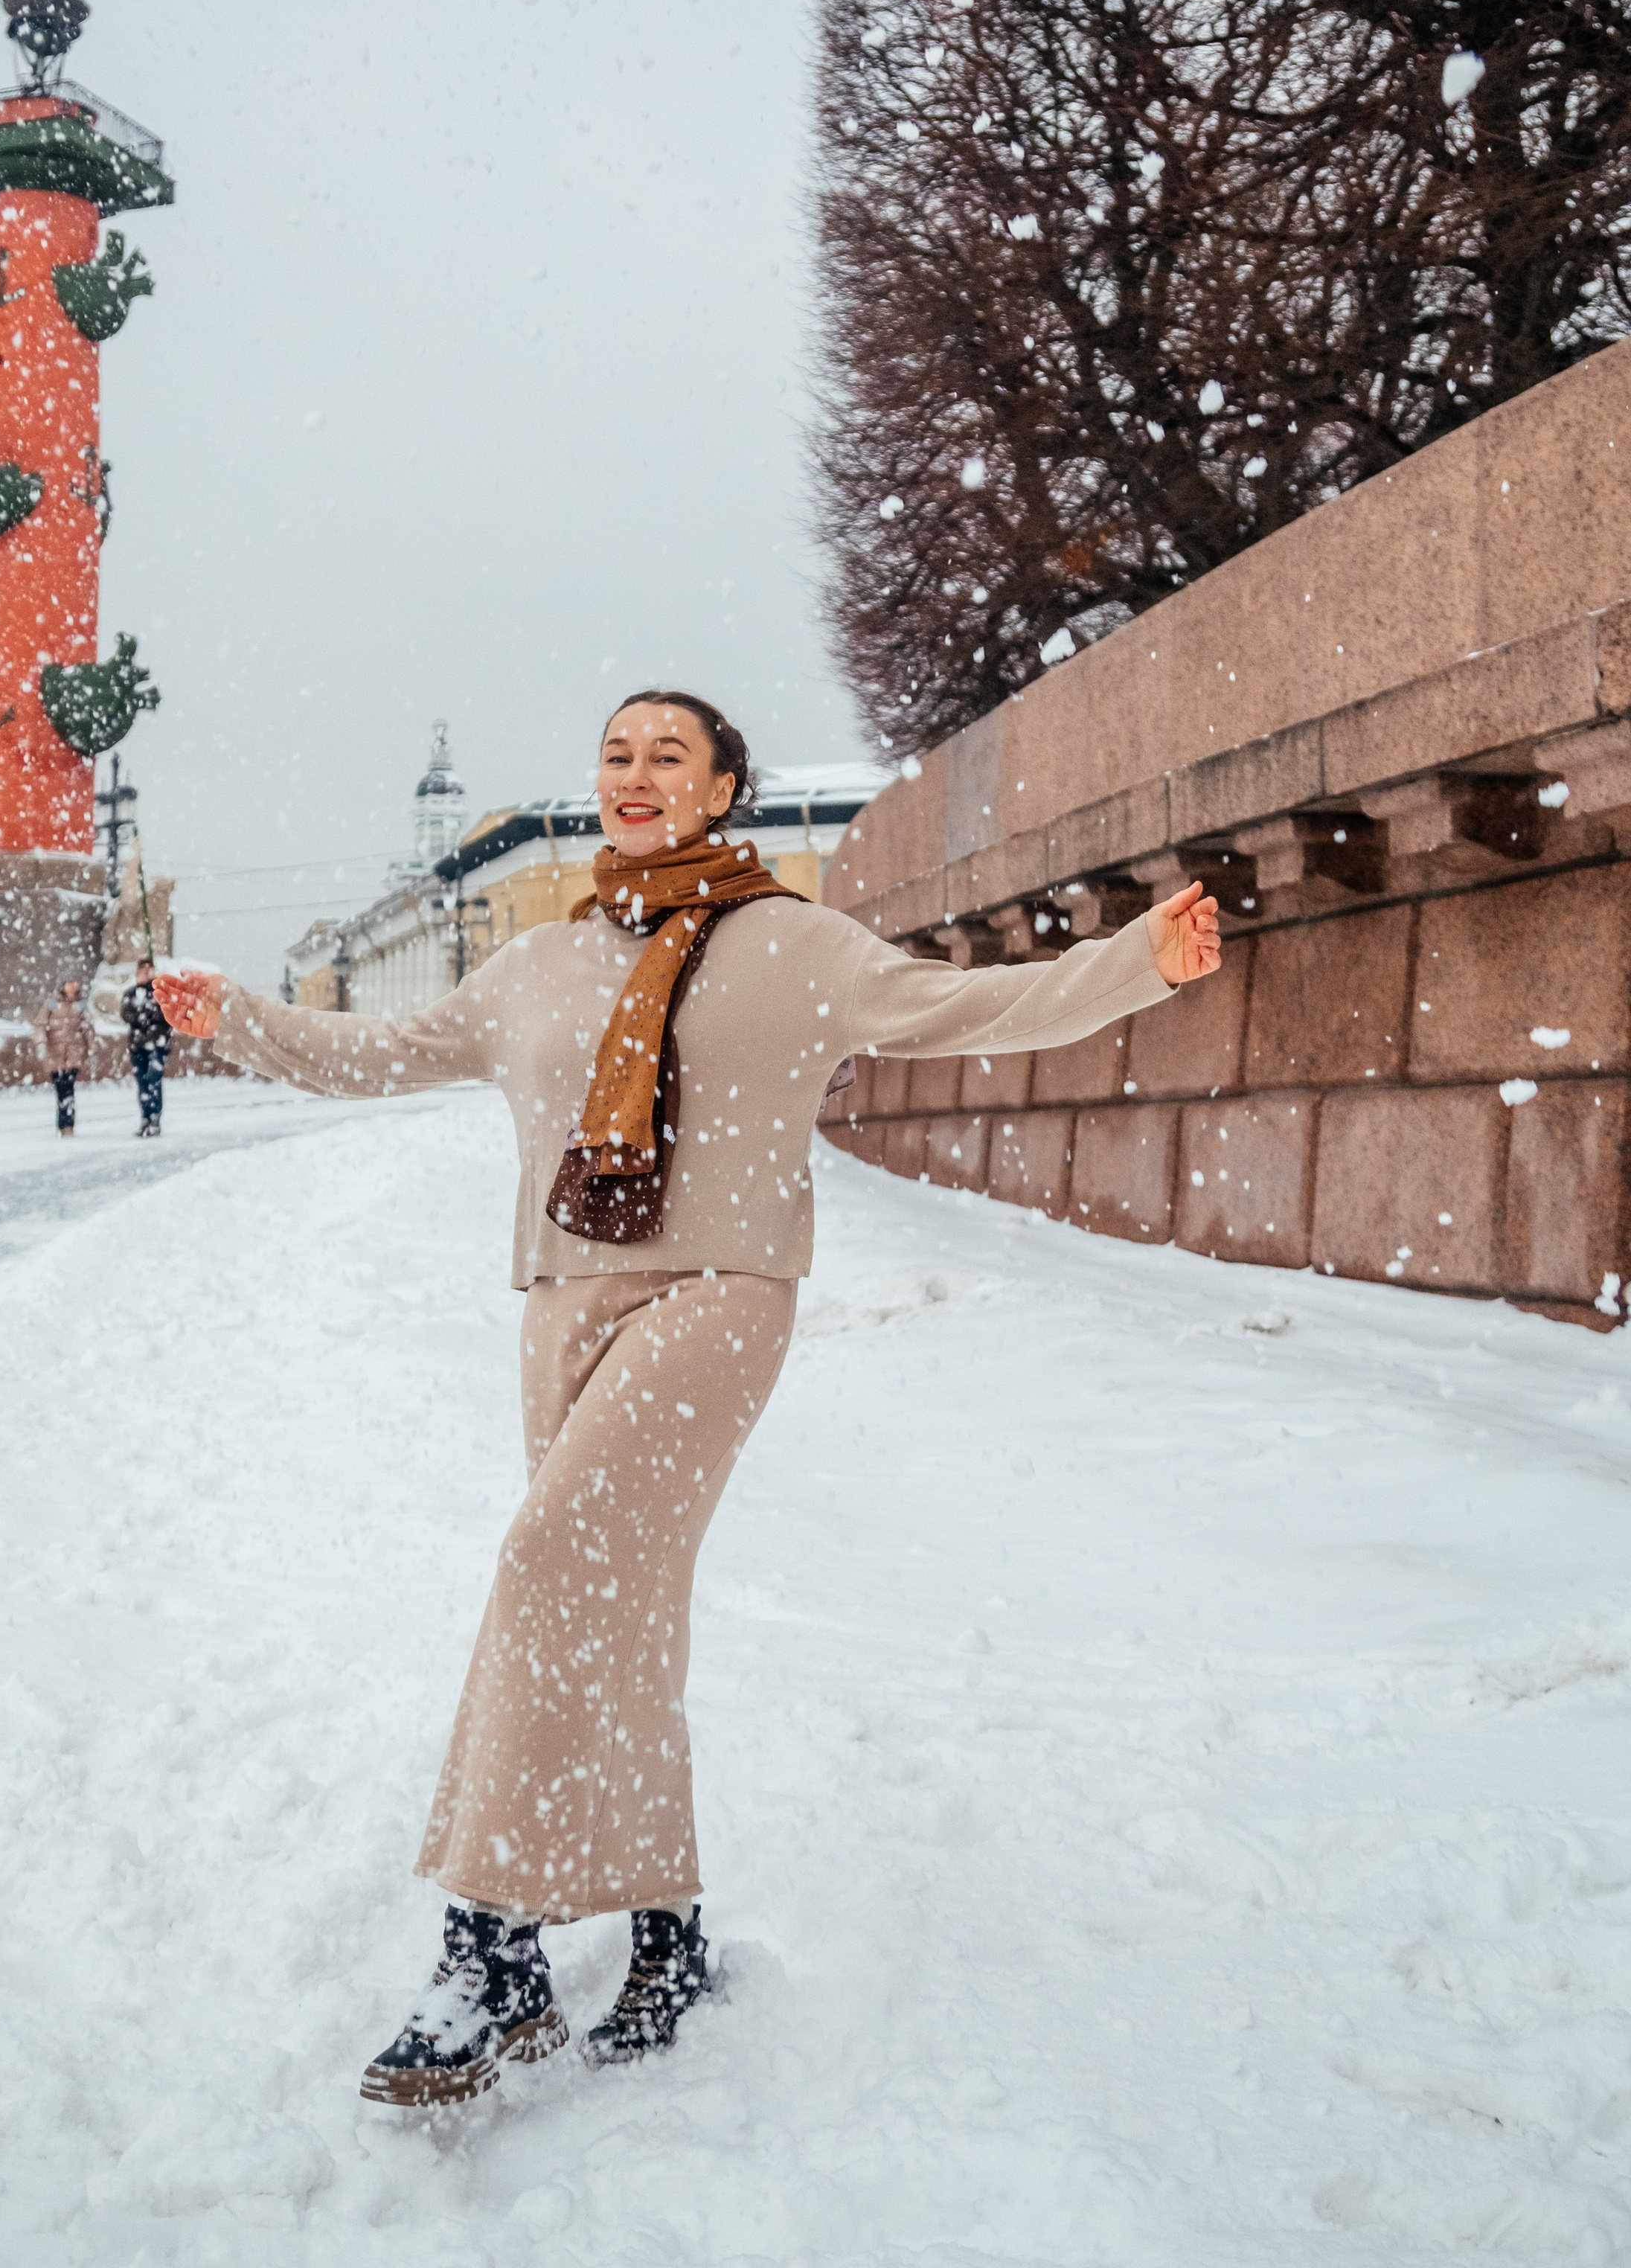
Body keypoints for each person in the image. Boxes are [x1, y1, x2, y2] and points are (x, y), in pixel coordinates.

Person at [153, 691, 1220, 2110]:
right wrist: (235, 1017)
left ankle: (489, 1954)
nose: (636, 775)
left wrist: (1135, 964)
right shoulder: (536, 965)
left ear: (723, 792)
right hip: (562, 1305)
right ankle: (667, 1937)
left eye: (670, 756)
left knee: (544, 1565)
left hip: (719, 1294)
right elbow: (376, 1059)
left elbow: (963, 1006)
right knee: (617, 1614)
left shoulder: (794, 944)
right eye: (615, 753)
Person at [120, 958, 171, 1138]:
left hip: (157, 1044)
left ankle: (155, 1118)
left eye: (150, 968)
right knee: (142, 1082)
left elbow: (166, 1015)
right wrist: (142, 1016)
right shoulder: (131, 993)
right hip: (138, 1045)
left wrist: (147, 1014)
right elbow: (127, 1014)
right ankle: (146, 1118)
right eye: (143, 968)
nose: (147, 971)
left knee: (153, 1080)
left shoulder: (161, 992)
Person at [37, 976, 94, 1138]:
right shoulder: (52, 1004)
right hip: (55, 1055)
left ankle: (67, 1125)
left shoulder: (81, 1004)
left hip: (73, 1054)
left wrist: (91, 1046)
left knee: (68, 1088)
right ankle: (63, 1124)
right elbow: (40, 1024)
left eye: (74, 983)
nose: (72, 986)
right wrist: (41, 1042)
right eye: (69, 983)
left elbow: (88, 1027)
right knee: (60, 1089)